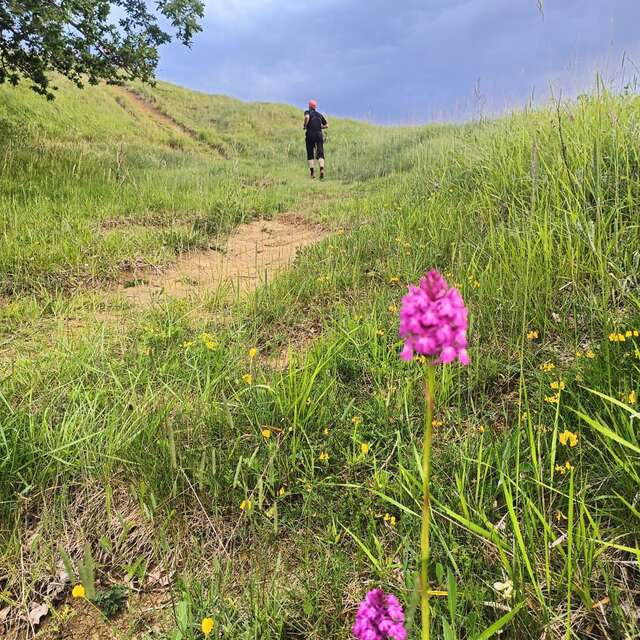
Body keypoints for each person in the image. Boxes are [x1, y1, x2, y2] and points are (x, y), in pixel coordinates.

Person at [303, 99, 328, 179]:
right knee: (320, 152)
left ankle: (312, 173)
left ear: (309, 106)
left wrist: (305, 125)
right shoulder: (319, 114)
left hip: (310, 134)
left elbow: (307, 117)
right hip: (319, 135)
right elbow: (327, 125)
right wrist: (320, 127)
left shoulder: (307, 112)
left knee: (310, 153)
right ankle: (321, 169)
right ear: (315, 107)